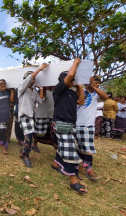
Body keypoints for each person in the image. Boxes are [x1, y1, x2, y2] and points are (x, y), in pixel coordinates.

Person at [51, 58, 87, 194]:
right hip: (61, 122)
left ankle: (56, 163)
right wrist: (76, 63)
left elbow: (81, 102)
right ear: (64, 80)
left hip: (70, 123)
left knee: (66, 145)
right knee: (70, 148)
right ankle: (73, 177)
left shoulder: (72, 93)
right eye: (70, 79)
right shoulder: (58, 90)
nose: (72, 80)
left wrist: (80, 87)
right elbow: (70, 75)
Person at [75, 76, 108, 182]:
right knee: (79, 147)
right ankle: (80, 165)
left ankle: (89, 170)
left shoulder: (96, 94)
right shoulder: (81, 90)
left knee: (88, 149)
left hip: (89, 125)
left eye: (98, 83)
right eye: (94, 82)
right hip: (77, 123)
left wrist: (95, 88)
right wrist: (86, 86)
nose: (96, 85)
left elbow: (106, 97)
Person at [18, 63, 48, 168]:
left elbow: (41, 101)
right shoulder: (22, 88)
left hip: (31, 117)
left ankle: (23, 152)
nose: (33, 80)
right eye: (31, 79)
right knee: (29, 136)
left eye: (34, 80)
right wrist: (40, 69)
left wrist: (42, 89)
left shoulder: (34, 91)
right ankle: (25, 155)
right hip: (24, 116)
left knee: (29, 137)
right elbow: (30, 77)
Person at [0, 79, 14, 154]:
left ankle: (5, 147)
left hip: (6, 115)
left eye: (4, 86)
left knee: (5, 131)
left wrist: (11, 91)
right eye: (1, 86)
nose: (3, 87)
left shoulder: (7, 92)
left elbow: (11, 101)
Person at [33, 86, 54, 152]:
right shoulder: (38, 90)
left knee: (50, 133)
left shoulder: (54, 90)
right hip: (41, 115)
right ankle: (33, 144)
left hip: (51, 115)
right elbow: (41, 99)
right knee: (38, 133)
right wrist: (42, 88)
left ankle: (54, 145)